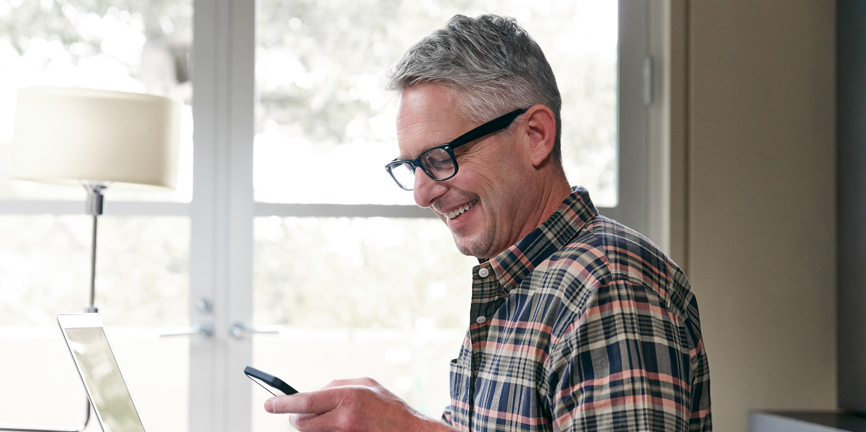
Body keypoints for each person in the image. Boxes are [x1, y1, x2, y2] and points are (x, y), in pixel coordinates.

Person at [264, 14, 711, 431]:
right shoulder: (515, 285)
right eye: (412, 166)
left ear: (535, 136)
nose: (422, 194)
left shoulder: (607, 290)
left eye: (440, 158)